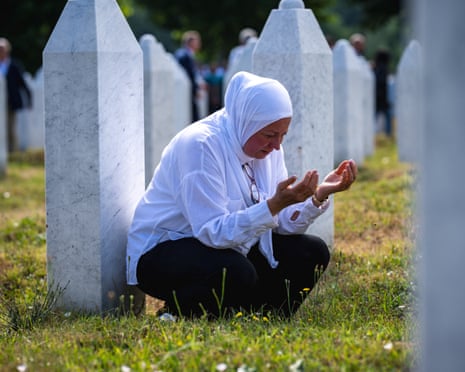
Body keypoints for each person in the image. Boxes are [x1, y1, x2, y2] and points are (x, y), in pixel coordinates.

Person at [126, 71, 357, 318]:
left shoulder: (267, 150)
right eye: (269, 135)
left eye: (283, 135)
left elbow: (280, 225)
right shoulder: (200, 146)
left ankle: (257, 317)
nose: (277, 145)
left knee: (312, 251)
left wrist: (317, 196)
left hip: (232, 248)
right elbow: (212, 232)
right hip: (164, 252)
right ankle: (176, 313)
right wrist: (273, 205)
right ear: (247, 122)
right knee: (235, 271)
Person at [0, 37, 32, 153]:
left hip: (10, 102)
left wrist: (29, 100)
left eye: (2, 49)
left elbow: (23, 84)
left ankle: (13, 152)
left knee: (10, 128)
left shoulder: (14, 65)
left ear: (7, 50)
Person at [174, 30, 203, 122]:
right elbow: (190, 75)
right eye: (197, 41)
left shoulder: (183, 54)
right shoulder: (185, 56)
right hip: (188, 92)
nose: (199, 44)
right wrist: (196, 90)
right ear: (190, 42)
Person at [373, 48, 393, 136]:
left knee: (376, 117)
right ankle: (388, 134)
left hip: (378, 97)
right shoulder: (383, 68)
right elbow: (382, 84)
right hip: (382, 97)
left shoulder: (377, 68)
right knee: (387, 117)